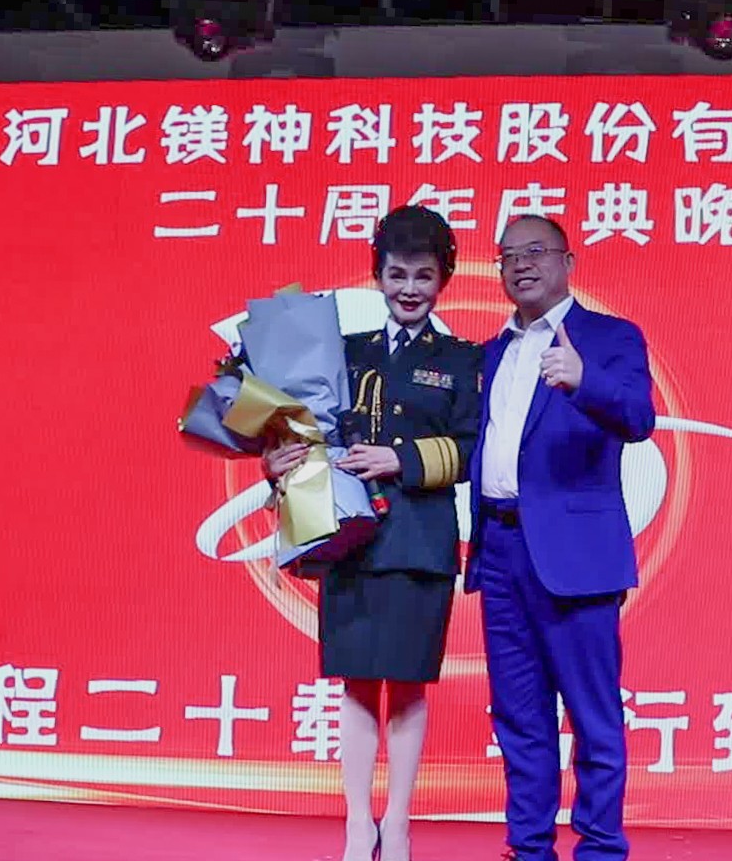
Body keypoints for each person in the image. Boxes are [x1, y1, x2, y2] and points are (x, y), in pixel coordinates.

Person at [263, 206, 481, 861]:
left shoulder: (463, 360)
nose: (409, 289)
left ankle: (400, 821)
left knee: (408, 685)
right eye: (396, 274)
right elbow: (304, 434)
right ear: (377, 276)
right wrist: (277, 461)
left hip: (420, 541)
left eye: (423, 275)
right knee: (356, 683)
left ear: (443, 278)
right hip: (349, 540)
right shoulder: (342, 353)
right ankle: (358, 825)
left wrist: (400, 460)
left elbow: (474, 450)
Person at [466, 214, 655, 861]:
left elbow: (639, 418)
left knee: (592, 715)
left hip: (577, 558)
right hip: (500, 550)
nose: (522, 264)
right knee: (519, 717)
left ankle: (600, 849)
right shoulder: (491, 352)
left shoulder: (609, 337)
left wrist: (585, 379)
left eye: (537, 251)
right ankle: (528, 848)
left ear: (568, 262)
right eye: (508, 255)